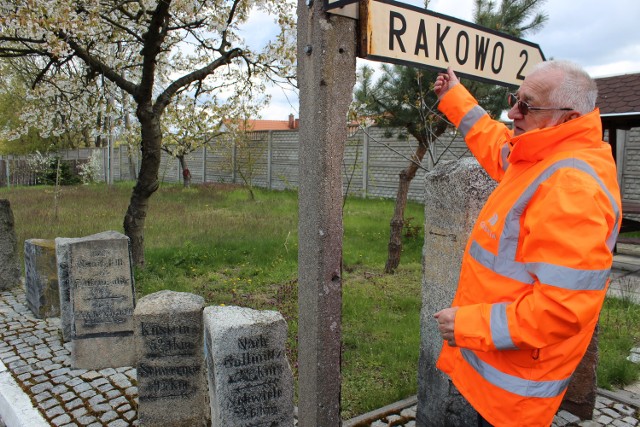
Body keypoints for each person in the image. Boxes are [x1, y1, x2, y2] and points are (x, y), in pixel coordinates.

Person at [432, 60, 622, 427]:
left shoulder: (570, 187)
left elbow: (561, 310)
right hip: (498, 366)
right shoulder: (542, 154)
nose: (512, 111)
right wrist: (454, 96)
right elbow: (495, 144)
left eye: (527, 105)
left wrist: (468, 325)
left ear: (567, 117)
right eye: (515, 99)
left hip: (513, 392)